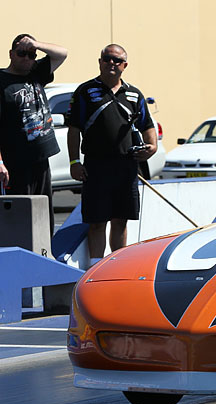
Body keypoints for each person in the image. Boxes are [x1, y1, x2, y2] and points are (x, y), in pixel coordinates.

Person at [67, 44, 157, 264]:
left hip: (126, 168)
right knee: (97, 222)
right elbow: (74, 130)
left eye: (117, 60)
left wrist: (152, 147)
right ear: (100, 62)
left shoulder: (134, 94)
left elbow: (147, 125)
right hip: (96, 167)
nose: (111, 63)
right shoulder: (85, 92)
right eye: (107, 59)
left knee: (120, 220)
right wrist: (74, 162)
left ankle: (117, 267)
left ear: (125, 65)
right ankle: (95, 268)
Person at [0, 34, 67, 236]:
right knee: (20, 216)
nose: (27, 58)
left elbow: (62, 54)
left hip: (41, 159)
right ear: (11, 54)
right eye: (22, 53)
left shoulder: (36, 72)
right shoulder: (2, 81)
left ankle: (44, 250)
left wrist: (36, 45)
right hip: (15, 162)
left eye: (31, 55)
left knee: (43, 213)